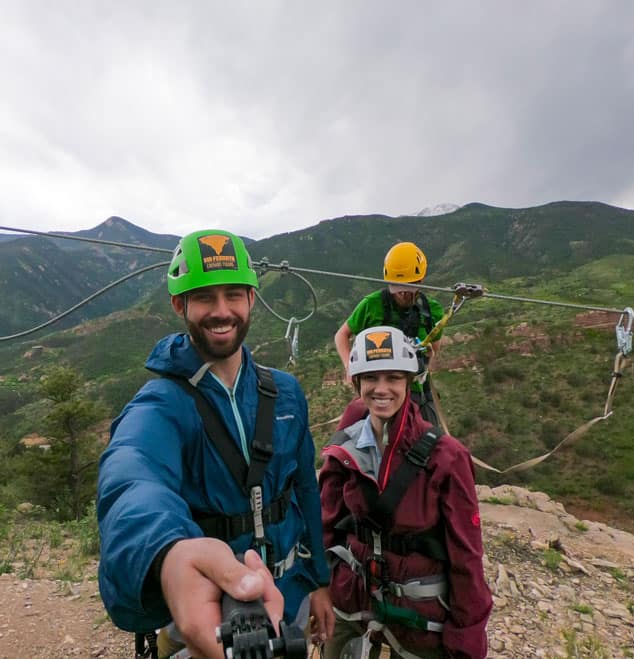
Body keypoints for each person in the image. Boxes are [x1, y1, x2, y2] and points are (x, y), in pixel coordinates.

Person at [97, 229, 334, 659]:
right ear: (179, 305)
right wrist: (168, 552)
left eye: (233, 295)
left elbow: (305, 491)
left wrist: (318, 580)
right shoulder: (162, 404)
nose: (221, 311)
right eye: (204, 297)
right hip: (212, 611)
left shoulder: (286, 393)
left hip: (290, 596)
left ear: (251, 300)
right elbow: (132, 476)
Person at [319, 326, 491, 659]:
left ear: (409, 383)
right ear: (357, 383)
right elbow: (326, 520)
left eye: (393, 378)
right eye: (371, 378)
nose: (381, 389)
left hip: (418, 618)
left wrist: (467, 638)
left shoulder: (446, 458)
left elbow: (466, 556)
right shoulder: (347, 443)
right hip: (351, 601)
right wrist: (318, 587)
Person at [333, 242, 445, 428]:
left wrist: (422, 363)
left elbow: (434, 349)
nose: (402, 292)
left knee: (432, 447)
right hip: (379, 392)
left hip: (417, 393)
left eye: (408, 287)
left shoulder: (432, 310)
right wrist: (349, 366)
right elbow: (342, 335)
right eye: (396, 286)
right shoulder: (372, 305)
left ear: (419, 281)